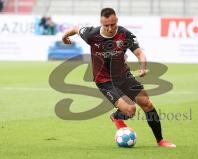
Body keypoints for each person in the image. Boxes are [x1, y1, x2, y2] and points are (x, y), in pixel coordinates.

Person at [62, 8, 176, 148]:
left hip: (123, 76)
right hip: (105, 81)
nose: (110, 28)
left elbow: (140, 53)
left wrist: (142, 66)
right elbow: (75, 28)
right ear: (101, 23)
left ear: (117, 21)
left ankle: (160, 141)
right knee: (130, 110)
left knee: (147, 103)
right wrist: (64, 37)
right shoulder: (92, 34)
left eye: (113, 24)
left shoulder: (124, 34)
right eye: (106, 25)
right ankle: (117, 117)